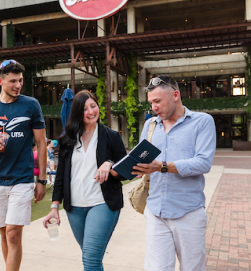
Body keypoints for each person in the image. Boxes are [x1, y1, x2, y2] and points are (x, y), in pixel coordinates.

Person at [131, 75, 216, 271]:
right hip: (155, 211)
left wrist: (161, 166)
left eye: (158, 101)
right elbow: (142, 156)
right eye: (151, 102)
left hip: (188, 212)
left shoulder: (202, 121)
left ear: (176, 95)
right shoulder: (150, 125)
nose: (154, 107)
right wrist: (134, 167)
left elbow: (203, 163)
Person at [0, 59, 47, 271]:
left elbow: (41, 143)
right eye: (13, 80)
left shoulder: (31, 105)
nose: (18, 85)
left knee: (14, 231)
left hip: (21, 179)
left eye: (20, 80)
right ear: (0, 81)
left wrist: (41, 179)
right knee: (4, 232)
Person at [43, 90, 127, 271]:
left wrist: (110, 165)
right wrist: (54, 207)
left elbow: (125, 171)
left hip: (102, 203)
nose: (90, 112)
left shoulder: (111, 136)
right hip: (74, 208)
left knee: (90, 260)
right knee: (90, 257)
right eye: (85, 108)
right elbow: (60, 177)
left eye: (93, 106)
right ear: (77, 113)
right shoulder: (67, 139)